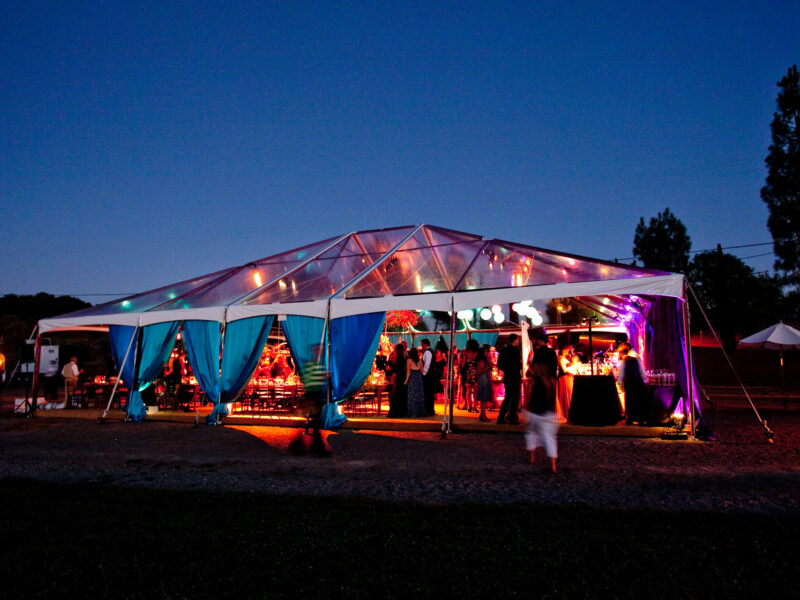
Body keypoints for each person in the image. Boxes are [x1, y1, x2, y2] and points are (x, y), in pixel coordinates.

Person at [289, 344, 330, 456]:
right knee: (315, 422)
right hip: (313, 395)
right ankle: (315, 448)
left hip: (314, 395)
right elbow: (311, 382)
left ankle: (306, 446)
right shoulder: (313, 365)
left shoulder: (315, 365)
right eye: (318, 350)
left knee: (314, 421)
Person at [524, 361, 560, 474]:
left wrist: (525, 409)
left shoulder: (532, 381)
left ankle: (532, 457)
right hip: (549, 413)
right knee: (550, 439)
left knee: (531, 434)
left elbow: (528, 396)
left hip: (535, 412)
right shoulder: (552, 381)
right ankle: (553, 465)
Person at [618, 344, 648, 425]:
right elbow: (641, 370)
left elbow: (621, 372)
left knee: (630, 401)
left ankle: (630, 419)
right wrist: (645, 379)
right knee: (639, 400)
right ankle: (641, 419)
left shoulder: (625, 360)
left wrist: (619, 382)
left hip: (629, 382)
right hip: (638, 381)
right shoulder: (636, 358)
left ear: (622, 352)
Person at [496, 334, 522, 425]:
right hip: (515, 376)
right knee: (515, 398)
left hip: (507, 376)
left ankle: (501, 417)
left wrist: (506, 370)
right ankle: (512, 418)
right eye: (517, 339)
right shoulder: (516, 351)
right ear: (514, 340)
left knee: (507, 397)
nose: (518, 341)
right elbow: (518, 365)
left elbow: (499, 364)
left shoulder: (503, 351)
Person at [556, 345, 577, 422]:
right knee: (567, 395)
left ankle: (569, 413)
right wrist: (573, 366)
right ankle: (566, 413)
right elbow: (564, 370)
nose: (569, 349)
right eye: (568, 348)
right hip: (564, 378)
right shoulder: (561, 358)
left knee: (570, 394)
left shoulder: (568, 357)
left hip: (569, 377)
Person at [387, 343, 407, 417]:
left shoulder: (399, 358)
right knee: (401, 395)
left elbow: (397, 369)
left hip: (399, 378)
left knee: (397, 395)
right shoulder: (403, 358)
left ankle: (397, 412)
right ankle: (402, 411)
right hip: (402, 377)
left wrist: (390, 363)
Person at [405, 347, 425, 417]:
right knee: (419, 394)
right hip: (418, 377)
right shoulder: (420, 360)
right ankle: (420, 411)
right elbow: (422, 371)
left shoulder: (409, 360)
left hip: (412, 378)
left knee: (412, 394)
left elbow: (408, 372)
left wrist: (406, 381)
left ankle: (413, 412)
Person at [475, 346, 492, 422]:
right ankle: (483, 415)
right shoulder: (481, 360)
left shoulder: (484, 359)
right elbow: (479, 371)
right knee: (483, 398)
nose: (486, 352)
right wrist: (488, 367)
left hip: (484, 379)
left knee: (484, 398)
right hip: (483, 379)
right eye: (485, 351)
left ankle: (482, 414)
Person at [462, 339, 479, 412]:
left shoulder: (466, 352)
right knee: (474, 391)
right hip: (474, 372)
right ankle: (474, 406)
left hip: (468, 372)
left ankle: (470, 406)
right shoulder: (476, 352)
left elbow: (463, 364)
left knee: (469, 391)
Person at [420, 339, 436, 416]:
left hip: (428, 376)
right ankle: (429, 409)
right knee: (429, 393)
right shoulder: (429, 351)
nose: (421, 346)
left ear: (425, 344)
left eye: (422, 345)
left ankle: (429, 410)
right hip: (430, 375)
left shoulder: (427, 352)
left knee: (428, 393)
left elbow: (427, 364)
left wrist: (424, 373)